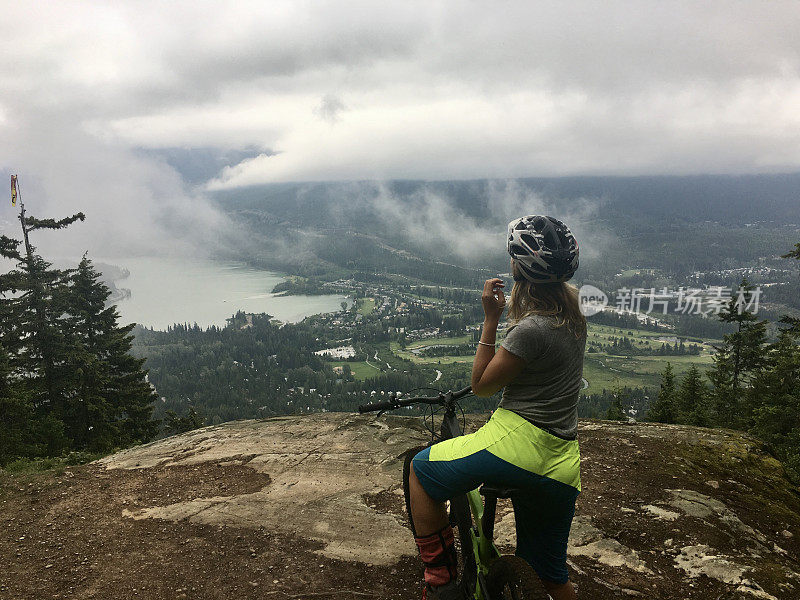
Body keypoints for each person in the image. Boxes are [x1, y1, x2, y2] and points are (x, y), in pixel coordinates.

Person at [408, 215, 586, 600]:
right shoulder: (573, 317)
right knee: (551, 575)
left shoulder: (531, 329)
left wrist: (490, 320)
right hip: (562, 460)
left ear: (519, 268)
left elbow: (482, 386)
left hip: (519, 444)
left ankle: (440, 581)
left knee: (420, 471)